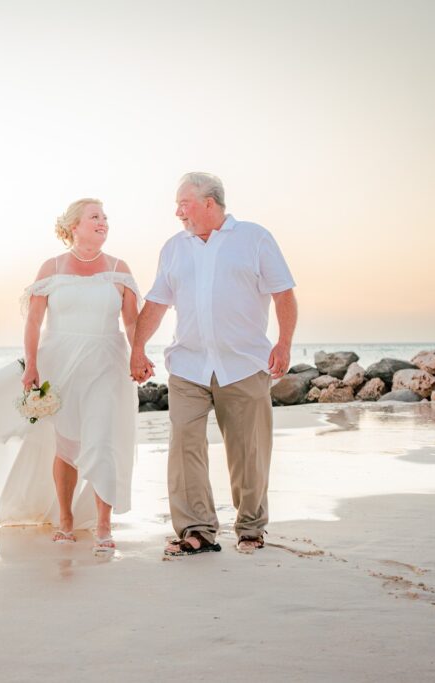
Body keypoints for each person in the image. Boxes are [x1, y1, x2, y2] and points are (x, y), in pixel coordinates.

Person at [0, 199, 140, 553]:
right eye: (94, 217)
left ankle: (103, 524)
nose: (103, 222)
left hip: (106, 362)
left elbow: (130, 321)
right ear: (74, 226)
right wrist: (33, 365)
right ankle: (65, 519)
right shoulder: (51, 267)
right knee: (66, 445)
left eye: (105, 217)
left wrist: (139, 353)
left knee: (101, 440)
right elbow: (34, 322)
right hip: (61, 363)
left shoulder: (119, 268)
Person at [131, 173, 297, 556]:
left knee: (248, 450)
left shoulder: (254, 238)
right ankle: (197, 530)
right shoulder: (174, 248)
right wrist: (138, 349)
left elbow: (283, 293)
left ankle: (251, 528)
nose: (177, 212)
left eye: (183, 203)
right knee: (184, 445)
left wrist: (284, 343)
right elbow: (156, 303)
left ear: (210, 203)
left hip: (243, 364)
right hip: (188, 365)